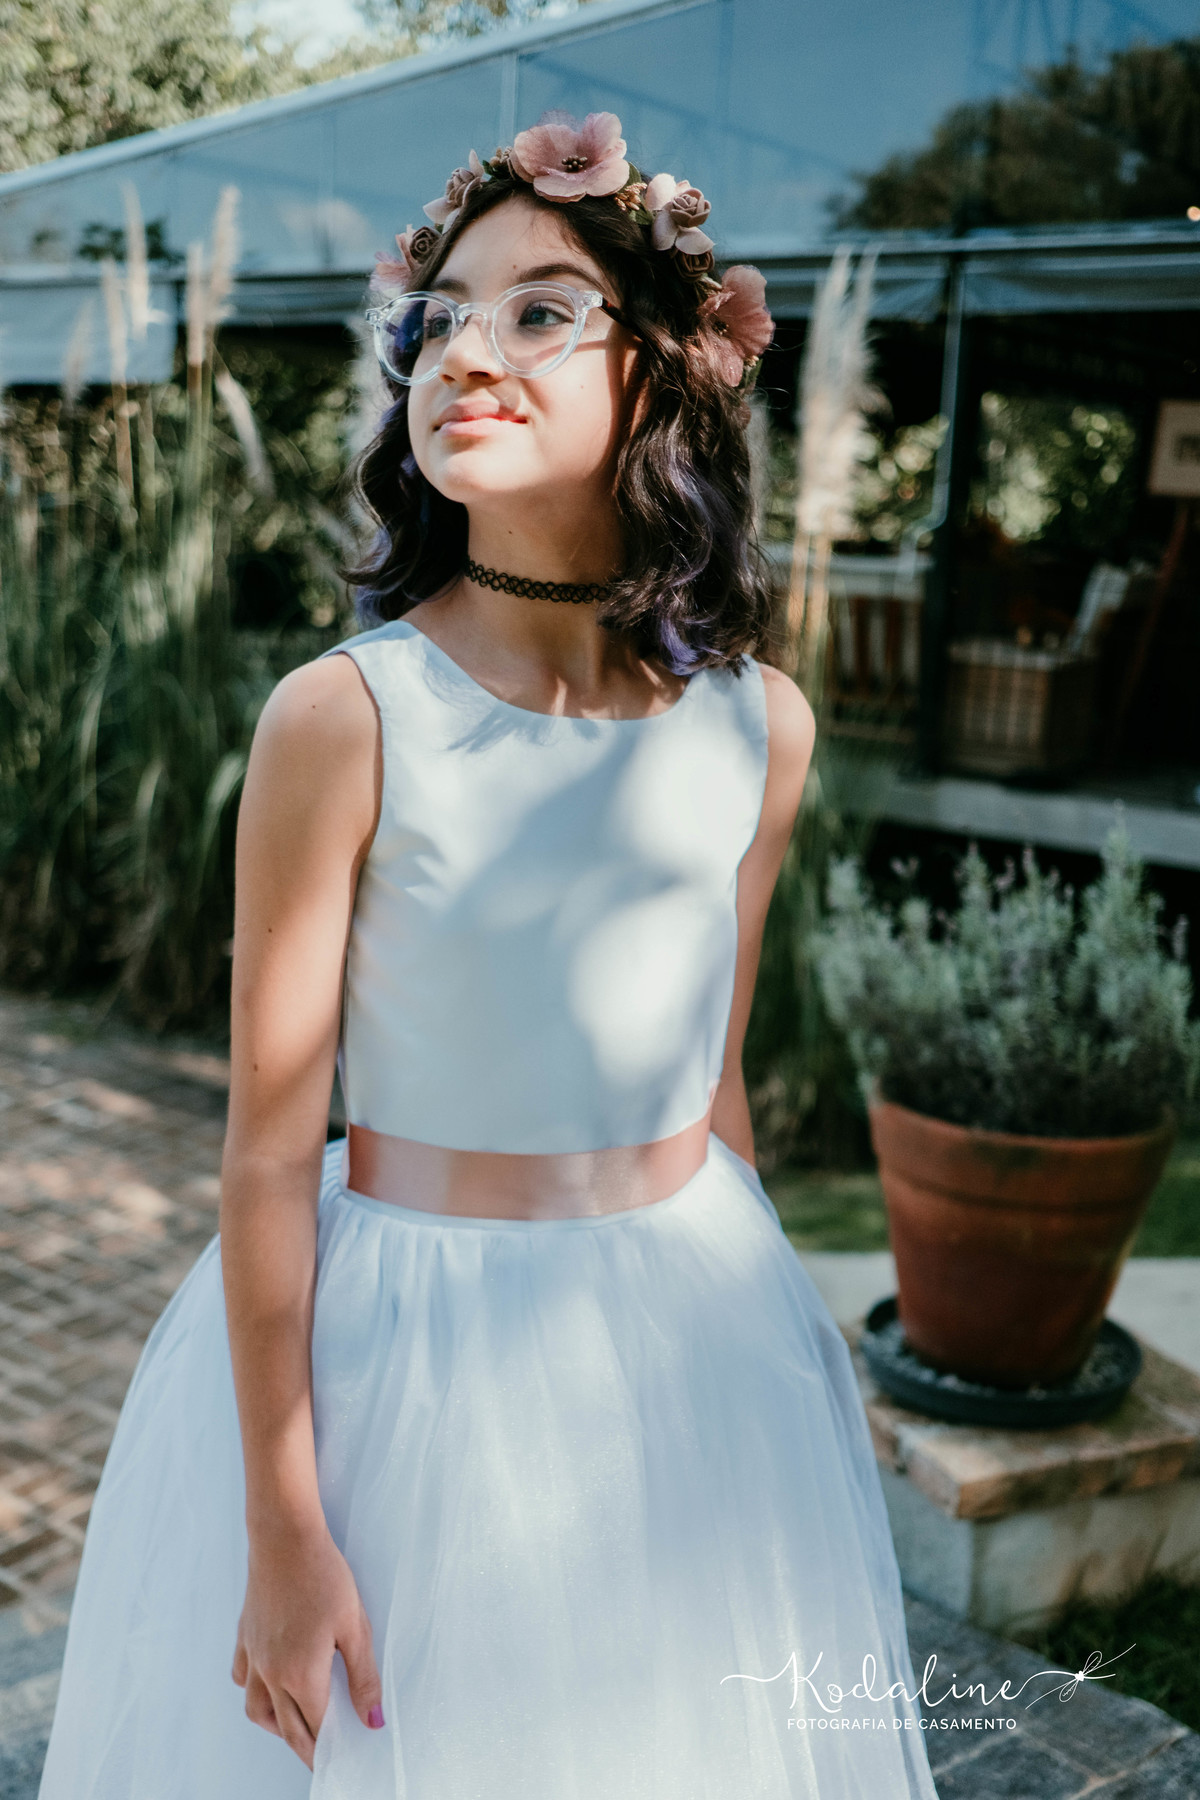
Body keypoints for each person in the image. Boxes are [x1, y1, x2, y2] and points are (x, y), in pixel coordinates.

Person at [37, 111, 940, 1799]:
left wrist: (782, 1358)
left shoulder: (763, 726)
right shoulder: (345, 717)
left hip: (691, 1342)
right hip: (411, 1366)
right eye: (442, 314)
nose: (465, 351)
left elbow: (713, 1080)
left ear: (662, 378)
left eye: (539, 311)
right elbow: (265, 1154)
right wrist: (285, 1524)